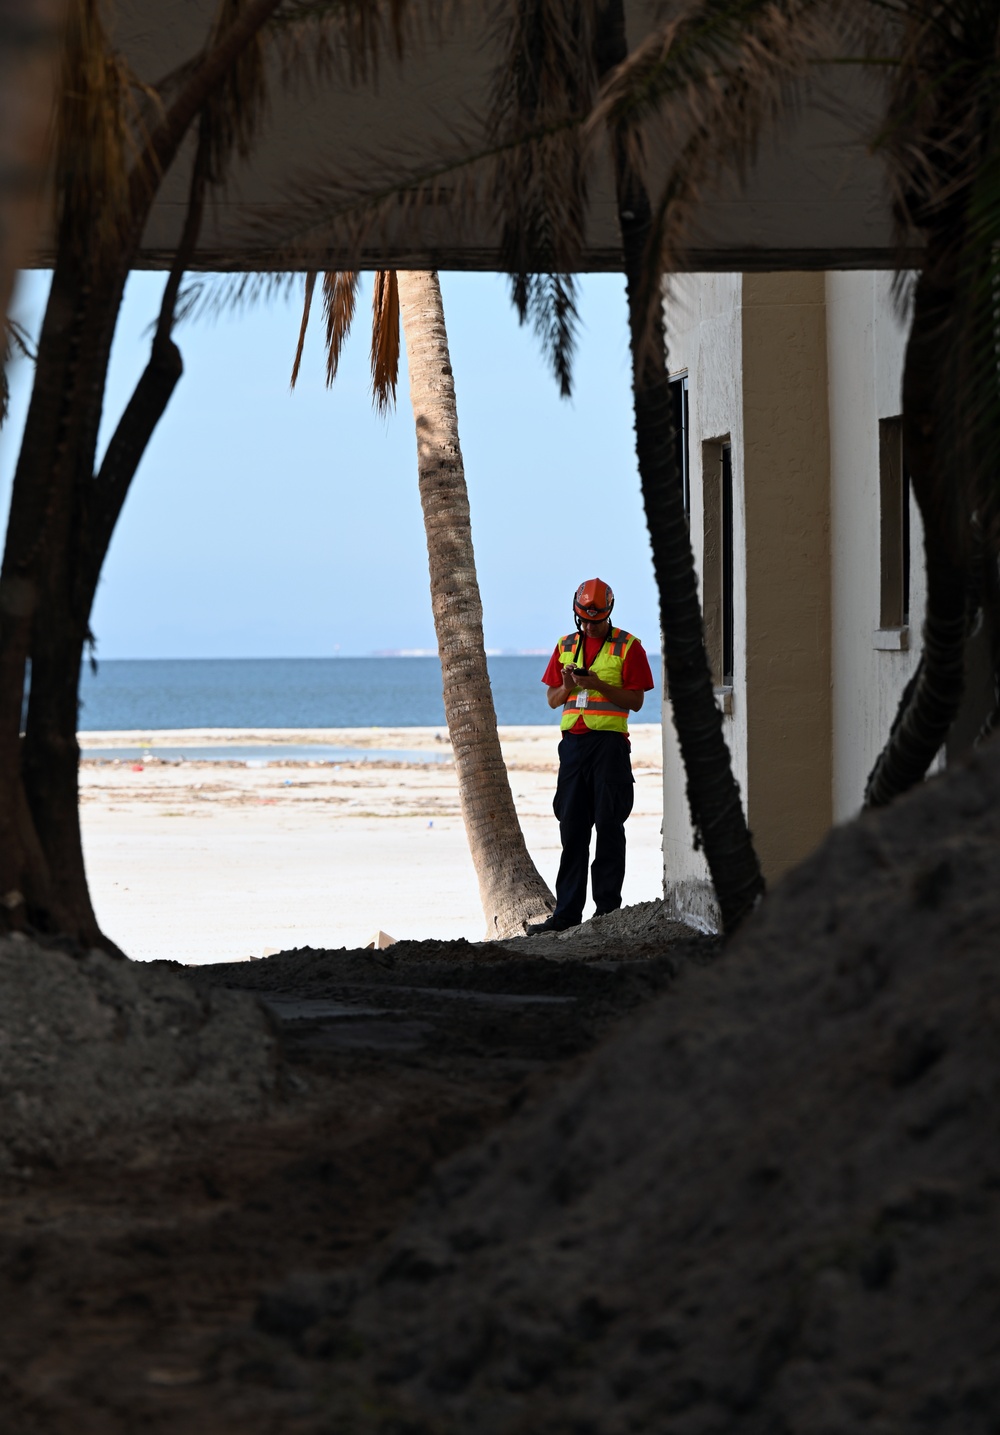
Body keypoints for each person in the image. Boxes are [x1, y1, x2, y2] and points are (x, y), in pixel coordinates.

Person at [528, 578, 655, 934]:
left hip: (609, 747)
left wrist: (598, 684)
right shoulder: (565, 645)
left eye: (596, 620)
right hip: (573, 747)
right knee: (572, 829)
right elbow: (553, 700)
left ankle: (607, 912)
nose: (589, 625)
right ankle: (566, 914)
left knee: (609, 826)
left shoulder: (629, 646)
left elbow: (637, 702)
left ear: (609, 613)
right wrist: (569, 685)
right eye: (583, 619)